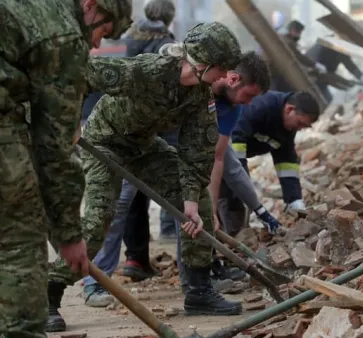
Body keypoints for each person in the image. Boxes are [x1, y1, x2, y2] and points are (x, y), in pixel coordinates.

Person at [46, 21, 243, 332]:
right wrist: (67, 119)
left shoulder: (199, 96)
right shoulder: (148, 70)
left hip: (143, 145)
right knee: (99, 220)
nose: (224, 77)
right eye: (221, 68)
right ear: (203, 61)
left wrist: (189, 201)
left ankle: (198, 292)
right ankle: (50, 295)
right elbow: (81, 72)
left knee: (200, 203)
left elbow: (197, 151)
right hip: (104, 142)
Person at [0, 0, 132, 338]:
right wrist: (69, 237)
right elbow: (53, 151)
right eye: (103, 32)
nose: (95, 45)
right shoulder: (63, 33)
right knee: (20, 239)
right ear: (90, 5)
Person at [79, 0, 178, 308]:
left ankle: (133, 261)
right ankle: (95, 279)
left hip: (91, 116)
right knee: (118, 202)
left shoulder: (118, 37)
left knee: (125, 200)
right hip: (116, 128)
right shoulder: (163, 42)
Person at [174, 52, 274, 293]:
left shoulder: (232, 108)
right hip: (164, 143)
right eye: (248, 95)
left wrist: (212, 206)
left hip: (198, 150)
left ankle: (202, 273)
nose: (248, 103)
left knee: (200, 210)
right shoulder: (196, 83)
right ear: (233, 78)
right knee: (180, 207)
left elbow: (217, 157)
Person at [227, 91, 320, 236]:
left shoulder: (288, 127)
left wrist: (294, 199)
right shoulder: (260, 107)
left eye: (304, 126)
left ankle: (239, 237)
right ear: (289, 109)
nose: (299, 128)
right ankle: (231, 242)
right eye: (300, 123)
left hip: (233, 157)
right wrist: (242, 180)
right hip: (220, 153)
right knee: (229, 196)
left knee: (239, 196)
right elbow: (235, 142)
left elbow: (287, 162)